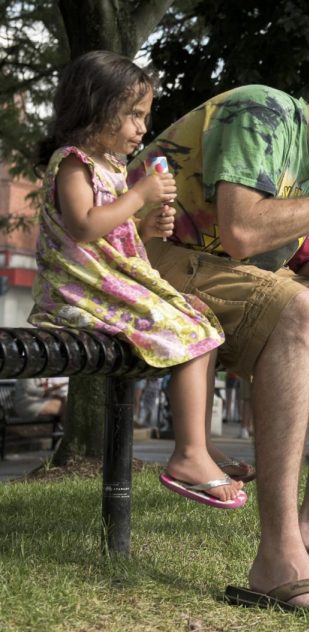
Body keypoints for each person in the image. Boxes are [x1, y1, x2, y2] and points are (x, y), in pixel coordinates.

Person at [129, 61, 309, 617]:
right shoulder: (262, 110)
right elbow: (241, 233)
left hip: (215, 278)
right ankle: (277, 557)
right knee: (298, 311)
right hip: (147, 263)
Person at [30, 51, 245, 510]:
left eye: (144, 116)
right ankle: (187, 455)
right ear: (95, 107)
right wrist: (141, 196)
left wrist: (144, 230)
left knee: (200, 319)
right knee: (189, 329)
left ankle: (198, 445)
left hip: (103, 282)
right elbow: (85, 226)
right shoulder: (73, 163)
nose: (142, 128)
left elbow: (110, 238)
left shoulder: (111, 168)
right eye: (133, 115)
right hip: (76, 291)